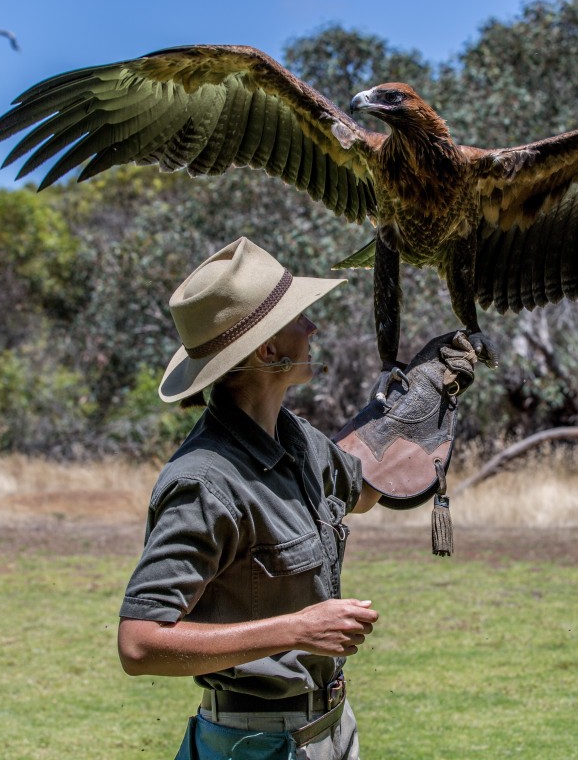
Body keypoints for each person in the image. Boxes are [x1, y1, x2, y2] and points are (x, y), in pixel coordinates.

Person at [118, 236, 475, 759]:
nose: (313, 328)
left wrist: (422, 396)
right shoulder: (204, 483)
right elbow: (139, 644)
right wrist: (298, 629)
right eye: (299, 317)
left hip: (330, 730)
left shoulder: (296, 438)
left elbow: (362, 490)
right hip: (252, 745)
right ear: (268, 351)